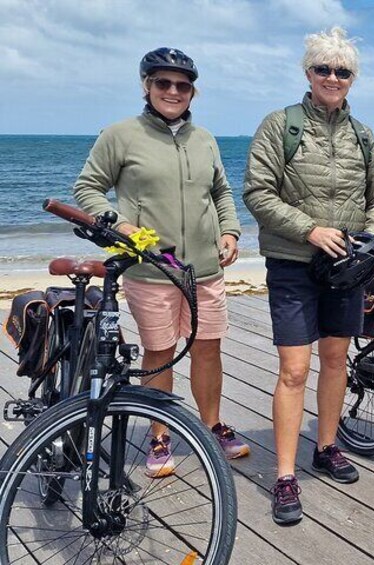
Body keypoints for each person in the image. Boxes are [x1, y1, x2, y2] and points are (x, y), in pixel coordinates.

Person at [73, 47, 250, 478]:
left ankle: (210, 428)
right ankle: (160, 435)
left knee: (209, 348)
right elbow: (88, 188)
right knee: (159, 351)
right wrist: (120, 225)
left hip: (204, 269)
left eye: (182, 85)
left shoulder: (205, 139)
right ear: (146, 86)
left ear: (193, 92)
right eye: (163, 83)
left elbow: (221, 193)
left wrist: (229, 231)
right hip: (151, 270)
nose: (173, 91)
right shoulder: (120, 135)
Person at [242, 27, 374, 526]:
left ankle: (326, 447)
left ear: (352, 80)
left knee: (335, 359)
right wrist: (310, 230)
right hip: (292, 264)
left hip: (346, 268)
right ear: (308, 73)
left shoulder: (362, 135)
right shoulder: (279, 125)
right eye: (323, 68)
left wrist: (369, 238)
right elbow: (258, 194)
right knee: (294, 370)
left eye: (342, 71)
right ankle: (285, 475)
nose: (332, 77)